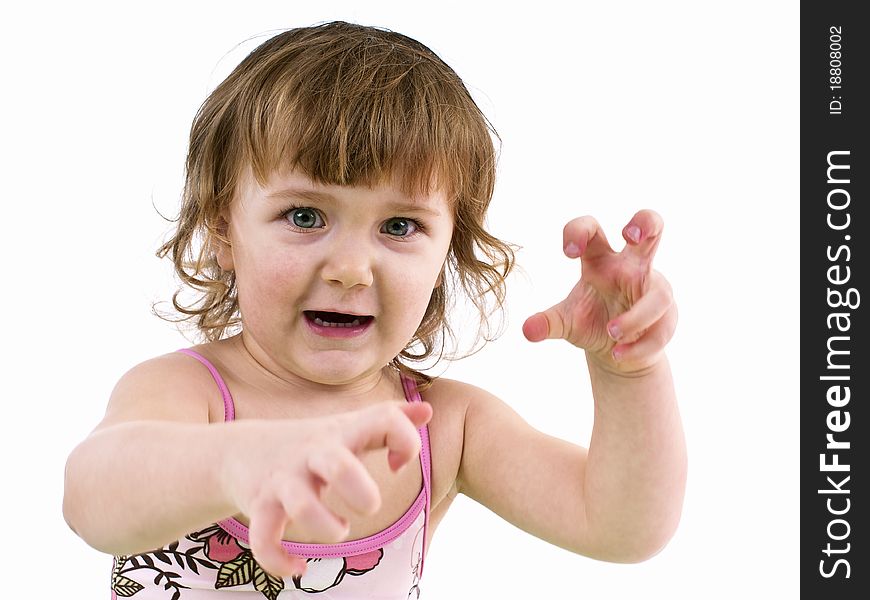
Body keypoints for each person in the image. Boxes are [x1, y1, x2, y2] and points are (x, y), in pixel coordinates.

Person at [63, 21, 686, 599]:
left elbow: (620, 528)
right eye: (304, 216)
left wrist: (628, 370)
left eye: (399, 225)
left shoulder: (445, 425)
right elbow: (92, 500)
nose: (351, 268)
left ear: (448, 250)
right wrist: (233, 461)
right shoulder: (187, 393)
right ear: (224, 232)